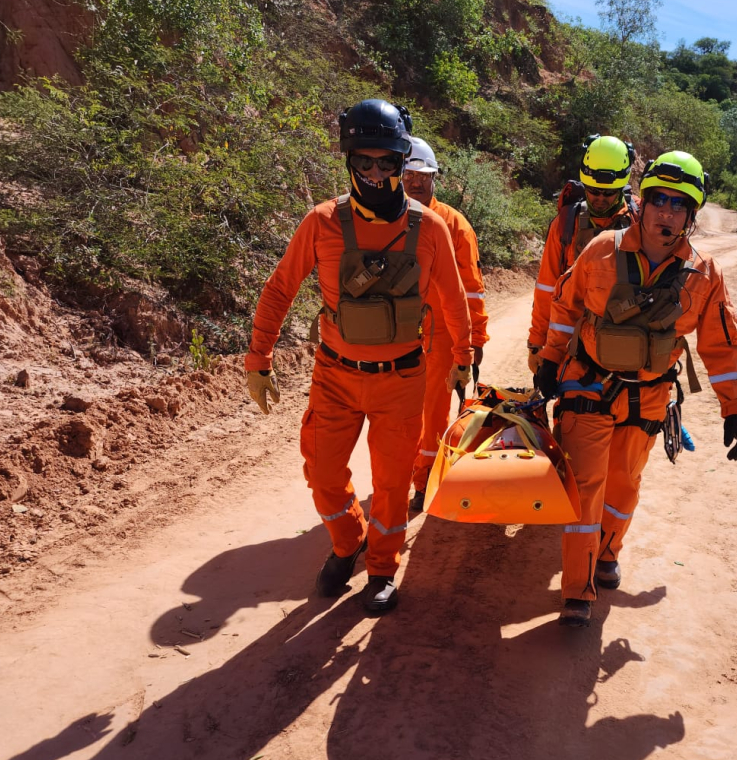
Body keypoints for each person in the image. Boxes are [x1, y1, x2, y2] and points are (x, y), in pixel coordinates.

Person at [244, 99, 473, 614]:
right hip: (336, 375)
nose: (374, 172)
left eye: (386, 163)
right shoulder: (321, 223)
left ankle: (384, 568)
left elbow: (455, 299)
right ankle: (349, 542)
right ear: (349, 162)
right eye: (363, 162)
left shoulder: (430, 229)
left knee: (392, 483)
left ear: (401, 163)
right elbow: (280, 289)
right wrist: (258, 358)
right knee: (322, 473)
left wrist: (464, 354)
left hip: (402, 378)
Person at [533, 151, 737, 627]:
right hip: (588, 384)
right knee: (584, 489)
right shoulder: (601, 251)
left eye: (678, 205)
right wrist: (549, 361)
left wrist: (734, 409)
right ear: (643, 202)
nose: (666, 213)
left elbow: (722, 343)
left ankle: (608, 552)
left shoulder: (704, 274)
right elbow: (566, 308)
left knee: (623, 486)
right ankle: (577, 592)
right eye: (659, 201)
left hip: (648, 395)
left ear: (691, 215)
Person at [402, 136, 489, 511]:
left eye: (423, 177)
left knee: (433, 414)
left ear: (435, 178)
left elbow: (472, 289)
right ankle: (408, 475)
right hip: (398, 335)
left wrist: (474, 341)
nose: (416, 183)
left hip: (441, 337)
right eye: (409, 176)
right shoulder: (387, 219)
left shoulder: (454, 225)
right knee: (400, 415)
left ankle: (426, 482)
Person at [527, 135, 638, 374]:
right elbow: (547, 287)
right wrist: (537, 343)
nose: (599, 198)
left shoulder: (640, 221)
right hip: (572, 345)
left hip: (627, 342)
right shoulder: (566, 224)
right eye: (593, 191)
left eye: (608, 193)